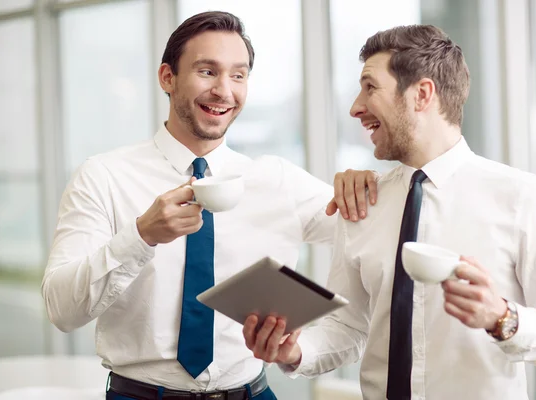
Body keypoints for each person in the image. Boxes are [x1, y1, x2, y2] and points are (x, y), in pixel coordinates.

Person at [242, 25, 536, 400]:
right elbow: (349, 327)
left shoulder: (524, 198)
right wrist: (296, 351)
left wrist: (503, 318)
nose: (355, 107)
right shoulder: (362, 203)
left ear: (422, 94)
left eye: (370, 87)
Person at [41, 11, 377, 400]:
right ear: (168, 77)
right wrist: (140, 236)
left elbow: (377, 235)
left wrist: (367, 185)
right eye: (207, 72)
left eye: (238, 75)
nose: (224, 91)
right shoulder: (102, 176)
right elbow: (62, 310)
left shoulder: (279, 181)